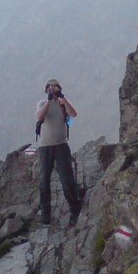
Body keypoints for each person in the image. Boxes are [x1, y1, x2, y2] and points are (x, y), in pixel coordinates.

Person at [35, 79, 81, 226]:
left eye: (54, 87)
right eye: (49, 88)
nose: (51, 89)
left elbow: (74, 114)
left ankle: (75, 210)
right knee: (44, 181)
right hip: (45, 147)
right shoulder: (42, 103)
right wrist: (49, 100)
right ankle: (45, 214)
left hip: (61, 145)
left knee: (67, 179)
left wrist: (63, 97)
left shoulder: (62, 104)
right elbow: (39, 117)